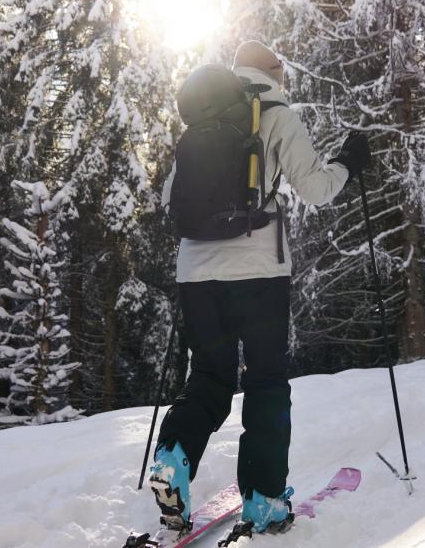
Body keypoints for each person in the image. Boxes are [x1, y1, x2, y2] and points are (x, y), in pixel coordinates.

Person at [149, 40, 370, 534]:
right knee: (266, 381)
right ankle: (265, 501)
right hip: (260, 273)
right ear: (272, 72)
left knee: (209, 376)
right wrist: (350, 163)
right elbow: (317, 188)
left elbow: (169, 197)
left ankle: (172, 459)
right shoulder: (277, 113)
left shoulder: (202, 123)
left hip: (196, 271)